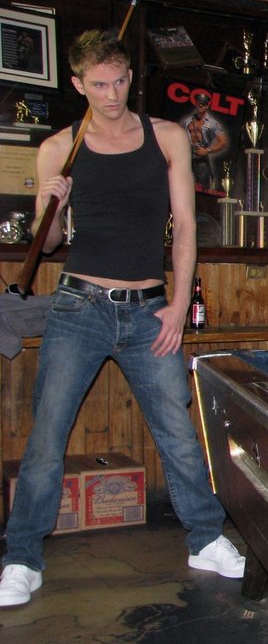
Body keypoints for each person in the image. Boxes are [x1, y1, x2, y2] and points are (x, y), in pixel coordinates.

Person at [0, 30, 244, 608]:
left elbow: (185, 227)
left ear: (130, 77)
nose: (111, 95)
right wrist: (52, 204)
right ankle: (21, 558)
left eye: (119, 81)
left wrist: (178, 305)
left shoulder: (166, 137)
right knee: (47, 436)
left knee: (177, 431)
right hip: (77, 308)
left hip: (149, 311)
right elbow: (49, 244)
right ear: (78, 84)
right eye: (98, 84)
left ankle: (205, 538)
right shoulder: (59, 147)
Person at [185, 92, 229, 192]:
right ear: (196, 103)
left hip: (201, 158)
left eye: (203, 104)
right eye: (199, 103)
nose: (200, 105)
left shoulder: (213, 123)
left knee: (203, 187)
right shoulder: (188, 120)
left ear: (207, 105)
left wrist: (207, 150)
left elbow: (223, 142)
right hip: (187, 155)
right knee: (185, 184)